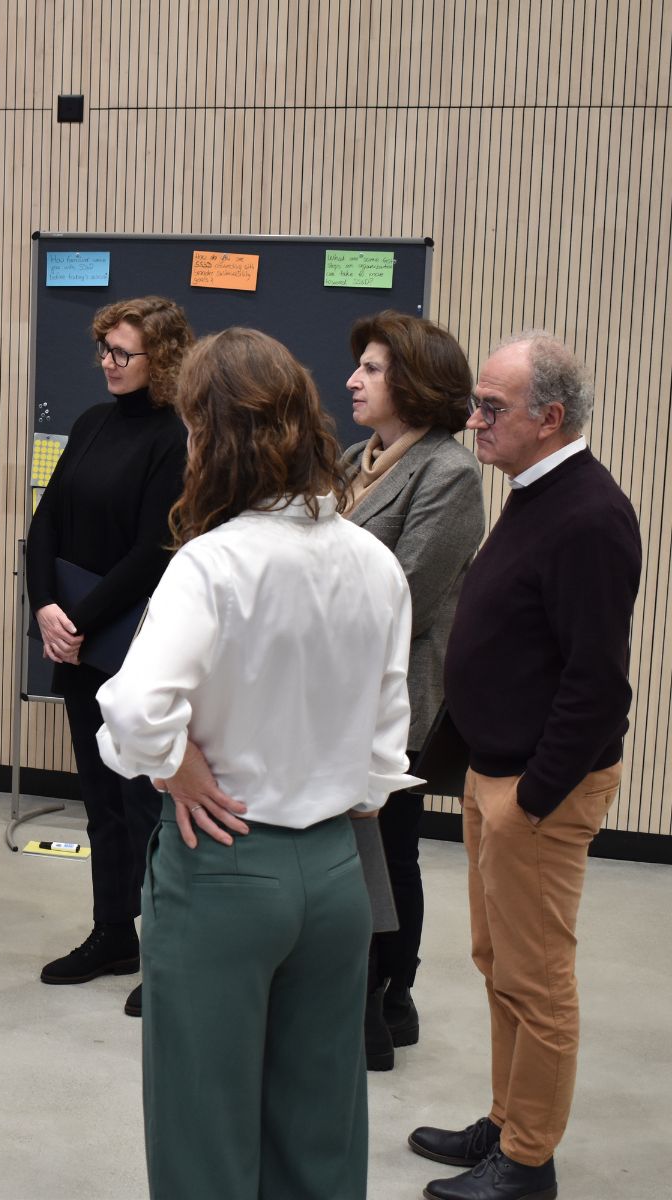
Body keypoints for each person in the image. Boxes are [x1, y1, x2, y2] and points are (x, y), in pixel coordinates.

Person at [97, 328, 418, 1199]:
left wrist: (170, 764)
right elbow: (390, 740)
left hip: (225, 864)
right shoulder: (374, 561)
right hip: (338, 867)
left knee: (205, 1132)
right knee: (320, 1129)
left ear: (210, 436)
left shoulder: (213, 561)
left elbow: (131, 711)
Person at [408, 333, 642, 1200]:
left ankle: (529, 1161)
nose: (474, 420)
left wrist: (532, 799)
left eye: (491, 407)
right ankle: (506, 1122)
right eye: (476, 402)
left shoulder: (589, 516)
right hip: (495, 770)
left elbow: (597, 684)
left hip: (537, 789)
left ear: (550, 418)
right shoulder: (535, 493)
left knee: (537, 979)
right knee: (496, 959)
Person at [26, 295, 193, 1018]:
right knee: (98, 799)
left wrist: (82, 620)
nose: (107, 363)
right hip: (75, 639)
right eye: (104, 350)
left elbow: (154, 549)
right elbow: (45, 522)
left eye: (122, 353)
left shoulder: (176, 437)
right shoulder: (93, 423)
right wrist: (46, 611)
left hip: (130, 640)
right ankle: (110, 934)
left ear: (162, 360)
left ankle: (164, 953)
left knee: (139, 802)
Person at [342, 311, 484, 1070]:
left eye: (370, 368)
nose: (352, 381)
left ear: (414, 382)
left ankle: (392, 998)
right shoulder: (348, 460)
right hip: (338, 690)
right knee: (360, 846)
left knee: (393, 849)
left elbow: (407, 595)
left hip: (398, 695)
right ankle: (363, 990)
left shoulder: (449, 473)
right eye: (359, 366)